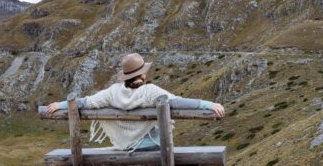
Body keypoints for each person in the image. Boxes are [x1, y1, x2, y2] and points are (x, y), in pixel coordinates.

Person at [46, 53, 225, 152]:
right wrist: (208, 104)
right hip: (153, 147)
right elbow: (178, 102)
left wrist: (60, 105)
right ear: (143, 74)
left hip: (125, 146)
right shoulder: (151, 91)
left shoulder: (113, 91)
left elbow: (85, 102)